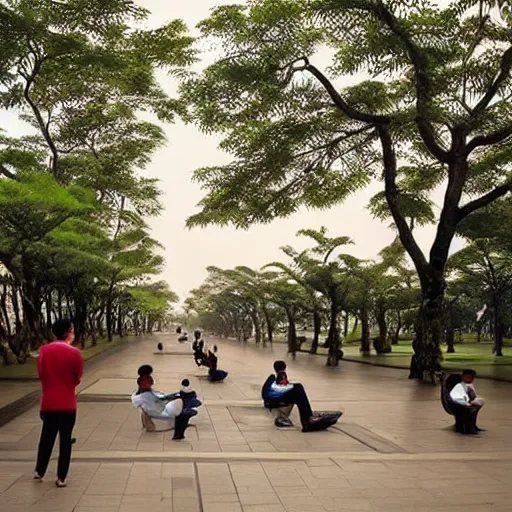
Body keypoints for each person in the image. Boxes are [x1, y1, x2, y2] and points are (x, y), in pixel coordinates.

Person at [34, 318, 84, 487]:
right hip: (67, 404)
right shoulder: (74, 353)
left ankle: (39, 471)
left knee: (46, 437)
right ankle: (61, 477)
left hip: (48, 402)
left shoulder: (43, 351)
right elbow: (77, 378)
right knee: (65, 440)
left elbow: (41, 374)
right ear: (69, 331)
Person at [262, 360, 342, 432]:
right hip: (271, 399)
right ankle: (308, 421)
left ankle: (309, 418)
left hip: (273, 398)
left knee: (298, 390)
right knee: (298, 387)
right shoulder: (273, 377)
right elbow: (272, 391)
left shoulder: (275, 377)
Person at [131, 365, 201, 440]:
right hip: (162, 411)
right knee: (183, 401)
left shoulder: (144, 393)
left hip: (161, 407)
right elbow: (157, 406)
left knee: (181, 398)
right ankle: (188, 403)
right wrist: (167, 400)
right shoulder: (146, 396)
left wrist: (170, 397)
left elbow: (159, 398)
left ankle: (188, 401)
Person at [449, 369, 485, 434]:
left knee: (475, 408)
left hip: (467, 403)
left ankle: (472, 426)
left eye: (470, 378)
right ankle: (466, 428)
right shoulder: (459, 385)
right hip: (458, 404)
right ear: (463, 377)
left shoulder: (469, 385)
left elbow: (473, 395)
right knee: (468, 410)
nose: (468, 379)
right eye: (467, 377)